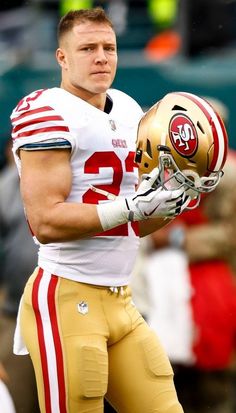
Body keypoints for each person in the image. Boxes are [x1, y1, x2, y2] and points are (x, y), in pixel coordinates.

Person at [9, 8, 227, 413]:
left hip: (121, 298)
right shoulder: (47, 110)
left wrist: (172, 201)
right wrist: (130, 207)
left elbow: (134, 225)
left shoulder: (129, 109)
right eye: (87, 48)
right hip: (67, 297)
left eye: (109, 47)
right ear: (62, 57)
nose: (101, 57)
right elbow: (46, 222)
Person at [0, 138, 40, 413]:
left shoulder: (78, 176)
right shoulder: (4, 187)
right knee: (16, 397)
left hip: (71, 316)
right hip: (15, 314)